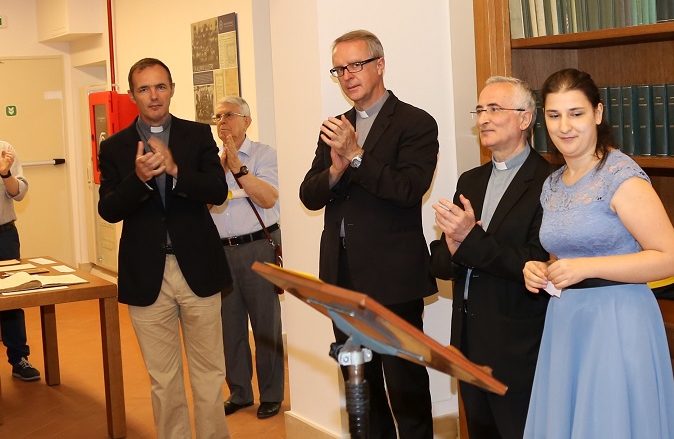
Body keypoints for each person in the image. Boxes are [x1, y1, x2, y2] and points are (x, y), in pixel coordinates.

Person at [522, 68, 674, 438]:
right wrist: (541, 269)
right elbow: (564, 257)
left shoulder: (621, 177)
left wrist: (583, 267)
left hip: (618, 321)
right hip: (566, 323)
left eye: (576, 114)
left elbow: (670, 258)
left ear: (597, 114)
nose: (565, 126)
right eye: (554, 115)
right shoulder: (552, 184)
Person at [300, 29, 439, 439]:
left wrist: (357, 156)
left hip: (393, 279)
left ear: (380, 65)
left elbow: (408, 190)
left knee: (405, 387)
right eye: (339, 69)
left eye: (356, 65)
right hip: (342, 277)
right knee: (360, 387)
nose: (347, 75)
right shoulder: (335, 126)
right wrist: (336, 169)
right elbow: (309, 194)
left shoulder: (415, 122)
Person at [98, 57, 231, 439]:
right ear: (131, 95)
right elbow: (108, 209)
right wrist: (138, 181)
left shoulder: (197, 136)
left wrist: (175, 171)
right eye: (144, 88)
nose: (153, 95)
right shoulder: (116, 147)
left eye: (160, 86)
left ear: (172, 89)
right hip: (146, 274)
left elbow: (217, 191)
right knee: (164, 379)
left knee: (209, 375)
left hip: (198, 270)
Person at [429, 76, 555, 439]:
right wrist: (454, 248)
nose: (483, 118)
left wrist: (469, 241)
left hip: (517, 344)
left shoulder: (548, 182)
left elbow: (535, 261)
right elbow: (440, 261)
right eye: (480, 110)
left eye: (495, 109)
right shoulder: (470, 181)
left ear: (525, 119)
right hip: (468, 342)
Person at [209, 96, 284, 420]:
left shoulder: (265, 154)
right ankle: (240, 392)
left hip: (258, 248)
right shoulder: (210, 161)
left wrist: (237, 165)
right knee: (229, 327)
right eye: (218, 117)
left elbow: (267, 198)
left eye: (229, 115)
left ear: (246, 121)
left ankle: (271, 394)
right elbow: (203, 204)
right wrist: (218, 169)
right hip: (220, 251)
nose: (222, 122)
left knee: (266, 325)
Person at [0, 141, 40, 382]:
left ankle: (19, 359)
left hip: (4, 235)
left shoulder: (5, 148)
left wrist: (5, 172)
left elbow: (19, 193)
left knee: (13, 297)